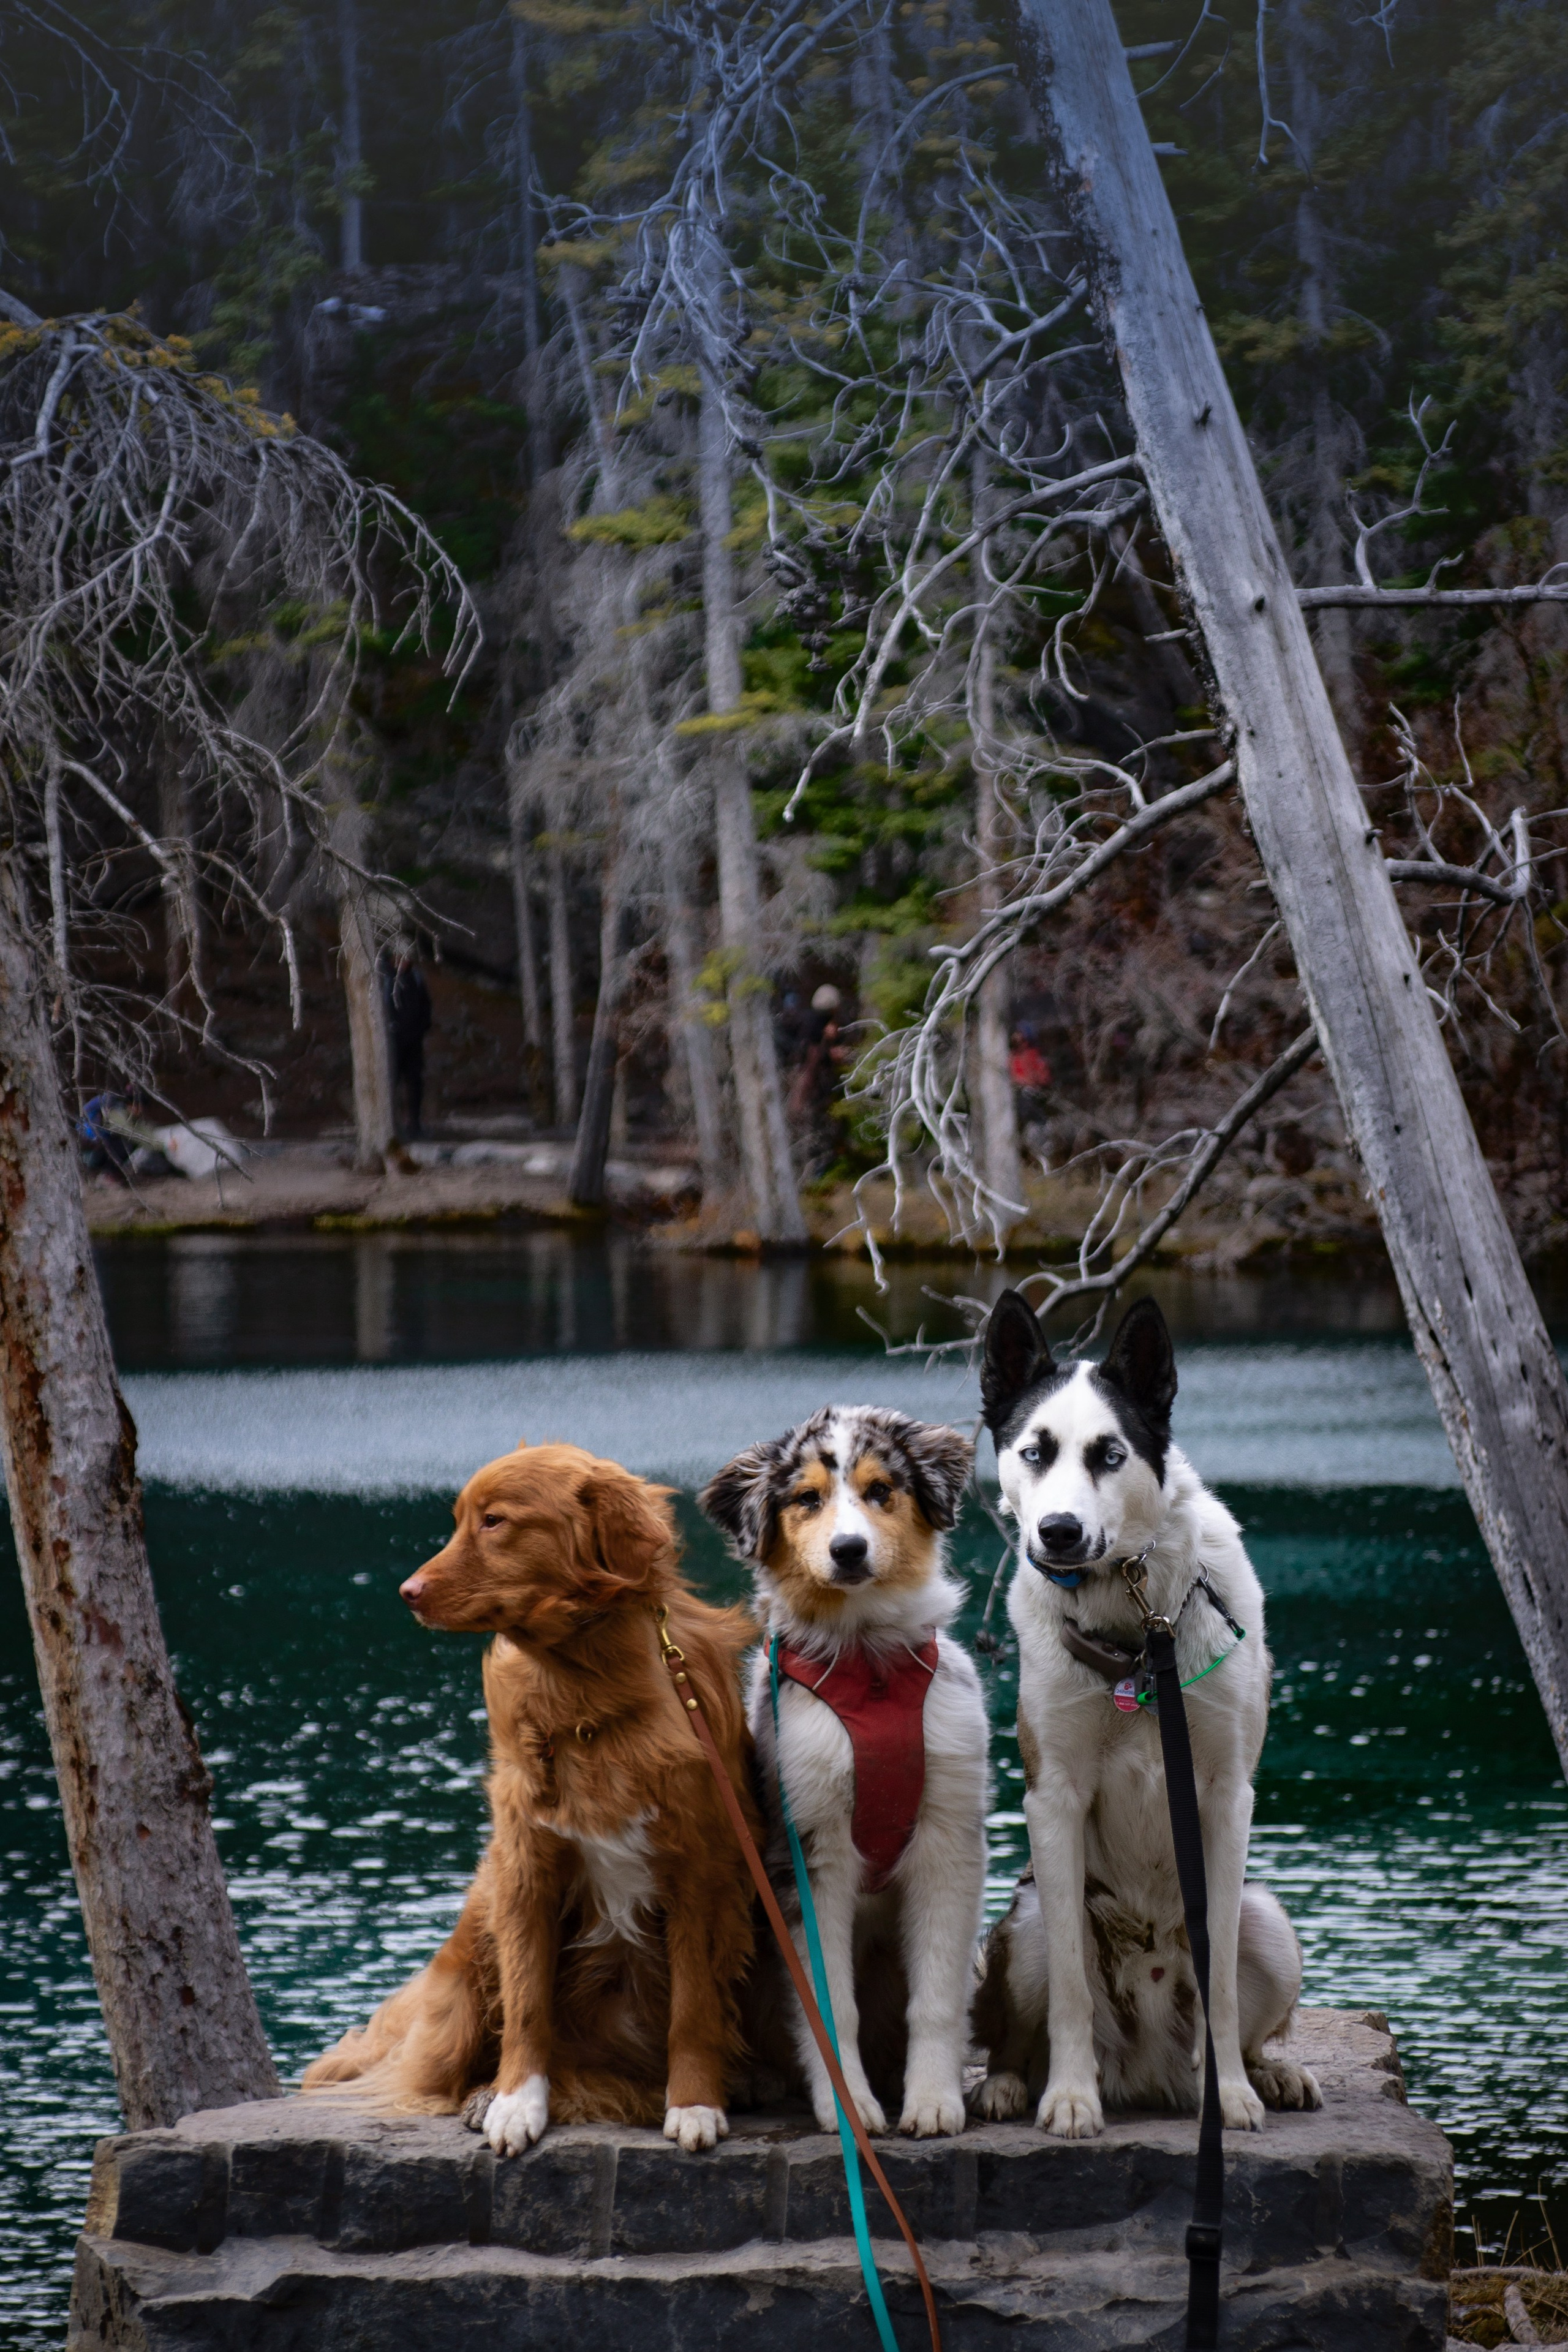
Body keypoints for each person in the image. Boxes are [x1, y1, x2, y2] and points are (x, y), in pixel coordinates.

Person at [383, 946, 434, 1139]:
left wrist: (421, 1029)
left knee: (415, 1083)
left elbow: (426, 1007)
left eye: (405, 958)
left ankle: (414, 1123)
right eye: (398, 958)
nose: (402, 962)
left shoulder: (416, 979)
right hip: (392, 1043)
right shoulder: (385, 979)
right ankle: (390, 1124)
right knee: (391, 1082)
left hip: (413, 1042)